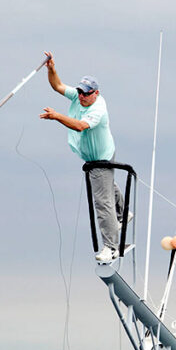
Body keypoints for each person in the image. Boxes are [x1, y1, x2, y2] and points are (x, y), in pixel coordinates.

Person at [39, 51, 125, 263]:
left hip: (100, 159)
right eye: (80, 92)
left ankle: (111, 247)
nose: (81, 96)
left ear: (96, 93)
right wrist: (52, 69)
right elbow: (58, 86)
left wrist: (56, 116)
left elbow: (79, 126)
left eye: (86, 94)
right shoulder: (78, 97)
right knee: (107, 187)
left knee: (102, 202)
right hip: (100, 155)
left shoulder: (98, 109)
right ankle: (124, 214)